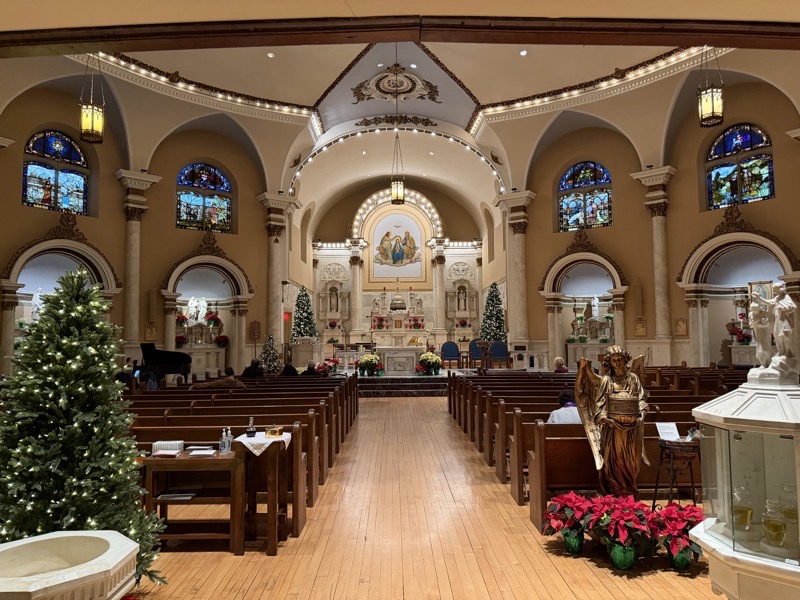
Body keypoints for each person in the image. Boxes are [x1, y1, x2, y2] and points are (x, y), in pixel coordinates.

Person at [576, 345, 649, 497]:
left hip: (631, 430)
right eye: (614, 360)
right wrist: (606, 419)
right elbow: (598, 406)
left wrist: (641, 413)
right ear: (609, 363)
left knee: (631, 463)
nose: (617, 363)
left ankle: (629, 493)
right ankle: (613, 493)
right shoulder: (606, 381)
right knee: (614, 463)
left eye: (620, 360)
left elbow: (641, 400)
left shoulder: (633, 379)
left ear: (625, 360)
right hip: (612, 431)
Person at [760, 282, 796, 359]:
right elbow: (769, 302)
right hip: (778, 320)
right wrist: (759, 298)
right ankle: (781, 351)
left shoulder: (786, 297)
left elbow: (793, 306)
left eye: (775, 289)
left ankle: (788, 351)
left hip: (784, 320)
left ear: (780, 289)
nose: (774, 291)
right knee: (777, 336)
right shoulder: (777, 298)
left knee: (785, 335)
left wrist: (784, 308)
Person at [749, 293, 773, 368]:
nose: (754, 311)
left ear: (759, 308)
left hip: (765, 332)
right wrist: (757, 322)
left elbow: (768, 324)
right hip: (758, 333)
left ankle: (767, 362)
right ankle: (763, 363)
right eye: (753, 310)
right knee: (759, 348)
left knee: (766, 347)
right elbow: (750, 325)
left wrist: (759, 323)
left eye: (755, 309)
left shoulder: (764, 313)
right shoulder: (751, 314)